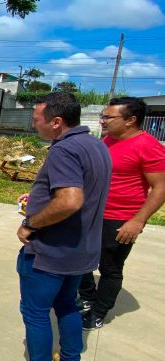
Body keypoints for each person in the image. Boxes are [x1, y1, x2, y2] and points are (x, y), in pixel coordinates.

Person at [0, 92, 111, 361]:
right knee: (67, 305)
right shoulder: (96, 146)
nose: (34, 126)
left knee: (35, 313)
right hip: (81, 249)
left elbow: (70, 200)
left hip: (51, 251)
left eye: (37, 120)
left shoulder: (64, 150)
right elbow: (79, 193)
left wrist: (31, 223)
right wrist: (38, 199)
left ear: (56, 122)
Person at [78, 97, 165, 330]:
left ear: (130, 120)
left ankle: (98, 312)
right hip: (93, 213)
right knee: (81, 257)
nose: (102, 120)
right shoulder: (108, 140)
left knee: (110, 268)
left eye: (108, 117)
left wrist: (137, 221)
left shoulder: (148, 146)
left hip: (120, 219)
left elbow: (161, 188)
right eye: (103, 116)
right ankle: (86, 297)